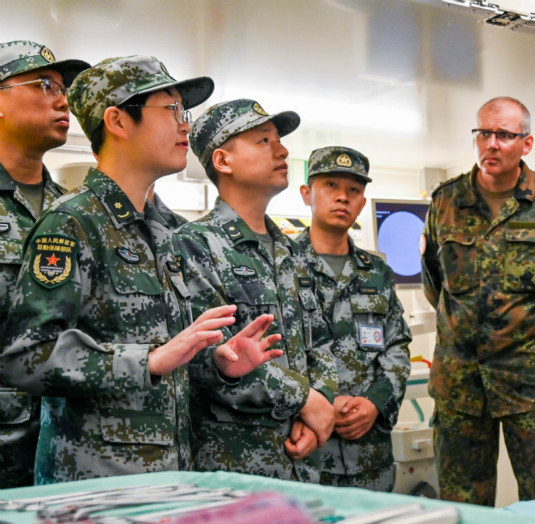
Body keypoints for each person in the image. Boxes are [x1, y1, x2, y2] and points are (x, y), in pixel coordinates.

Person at [1, 56, 279, 484]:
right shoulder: (73, 223)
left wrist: (218, 362)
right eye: (170, 110)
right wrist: (146, 361)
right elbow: (25, 357)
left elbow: (175, 358)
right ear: (117, 121)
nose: (184, 125)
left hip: (174, 475)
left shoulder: (170, 232)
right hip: (94, 485)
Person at [420, 97, 535, 505]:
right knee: (462, 507)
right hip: (461, 385)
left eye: (505, 135)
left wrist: (530, 335)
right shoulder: (444, 202)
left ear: (526, 143)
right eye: (484, 133)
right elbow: (434, 284)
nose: (492, 144)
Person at [176, 99, 336, 482]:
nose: (282, 150)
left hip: (301, 463)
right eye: (263, 141)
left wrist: (321, 406)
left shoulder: (292, 251)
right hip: (236, 467)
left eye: (279, 140)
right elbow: (209, 357)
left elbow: (323, 339)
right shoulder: (194, 245)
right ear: (223, 161)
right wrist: (304, 399)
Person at [0, 40, 89, 488]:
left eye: (64, 88)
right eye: (44, 85)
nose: (62, 99)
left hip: (67, 447)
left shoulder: (72, 211)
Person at [297, 146, 411, 492]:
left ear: (362, 203)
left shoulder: (376, 272)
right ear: (307, 194)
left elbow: (397, 345)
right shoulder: (281, 266)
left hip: (370, 456)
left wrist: (375, 402)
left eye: (354, 191)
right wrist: (320, 401)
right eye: (330, 185)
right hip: (307, 456)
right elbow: (275, 351)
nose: (342, 198)